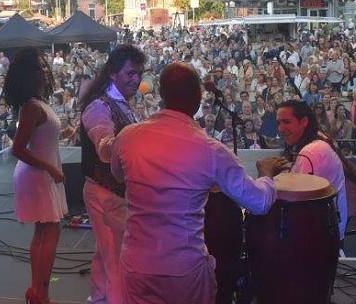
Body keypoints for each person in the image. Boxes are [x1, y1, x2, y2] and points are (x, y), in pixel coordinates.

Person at [112, 63, 278, 304]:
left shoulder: (127, 136)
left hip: (136, 264)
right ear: (198, 99)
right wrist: (267, 174)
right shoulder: (211, 150)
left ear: (162, 94)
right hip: (184, 270)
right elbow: (259, 202)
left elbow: (119, 176)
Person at [78, 44, 147, 304]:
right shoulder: (99, 106)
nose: (136, 79)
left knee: (105, 251)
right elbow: (105, 149)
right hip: (105, 193)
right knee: (117, 257)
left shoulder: (119, 103)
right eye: (130, 73)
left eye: (139, 74)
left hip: (111, 193)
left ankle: (99, 296)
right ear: (112, 73)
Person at [6, 47, 68, 304]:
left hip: (41, 172)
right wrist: (50, 168)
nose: (44, 71)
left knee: (44, 231)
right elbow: (18, 149)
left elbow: (42, 139)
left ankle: (37, 291)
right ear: (29, 75)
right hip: (38, 174)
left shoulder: (37, 104)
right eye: (39, 68)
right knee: (49, 231)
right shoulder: (31, 107)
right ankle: (40, 292)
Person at [260, 100, 349, 239]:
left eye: (287, 122)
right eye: (279, 123)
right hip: (330, 232)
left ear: (304, 122)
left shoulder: (310, 152)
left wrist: (266, 173)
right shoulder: (318, 142)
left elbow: (296, 205)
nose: (281, 129)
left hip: (318, 240)